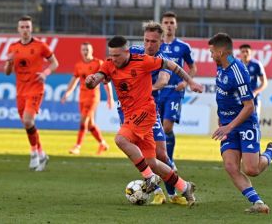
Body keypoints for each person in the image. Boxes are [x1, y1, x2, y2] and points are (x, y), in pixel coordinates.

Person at [86, 35, 203, 207]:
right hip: (130, 114)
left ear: (126, 52)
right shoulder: (109, 63)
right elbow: (98, 77)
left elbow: (171, 65)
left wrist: (190, 81)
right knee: (152, 162)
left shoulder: (143, 61)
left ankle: (150, 178)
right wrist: (91, 81)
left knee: (121, 139)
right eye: (111, 55)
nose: (113, 59)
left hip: (145, 112)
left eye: (117, 55)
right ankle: (185, 187)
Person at [209, 33, 272, 213]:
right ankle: (258, 203)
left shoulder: (238, 71)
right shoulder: (222, 63)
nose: (210, 55)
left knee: (252, 169)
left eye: (212, 52)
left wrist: (229, 126)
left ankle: (271, 151)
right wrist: (221, 118)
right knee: (230, 165)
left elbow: (249, 106)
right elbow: (223, 95)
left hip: (244, 123)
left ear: (221, 52)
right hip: (228, 123)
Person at [117, 21, 188, 205]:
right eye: (146, 41)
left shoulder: (162, 59)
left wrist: (147, 90)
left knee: (161, 155)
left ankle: (174, 193)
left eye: (153, 42)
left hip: (149, 109)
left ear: (161, 41)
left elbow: (164, 80)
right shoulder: (133, 52)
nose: (149, 45)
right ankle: (157, 191)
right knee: (138, 151)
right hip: (127, 109)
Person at [4, 15, 59, 171]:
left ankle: (34, 153)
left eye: (27, 27)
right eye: (22, 27)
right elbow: (7, 72)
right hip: (20, 91)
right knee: (28, 124)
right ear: (18, 29)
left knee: (28, 120)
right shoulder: (13, 47)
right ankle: (42, 153)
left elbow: (55, 62)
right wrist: (9, 62)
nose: (25, 30)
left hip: (35, 88)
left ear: (31, 28)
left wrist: (45, 73)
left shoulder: (41, 46)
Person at [159, 11, 197, 170]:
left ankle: (169, 160)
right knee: (157, 128)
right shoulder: (156, 45)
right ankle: (159, 160)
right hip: (156, 92)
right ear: (162, 25)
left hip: (174, 91)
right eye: (166, 22)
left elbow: (193, 67)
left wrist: (185, 81)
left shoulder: (183, 47)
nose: (168, 25)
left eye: (171, 23)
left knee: (167, 127)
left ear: (176, 25)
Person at [61, 42, 114, 155]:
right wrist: (67, 93)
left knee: (83, 120)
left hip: (93, 96)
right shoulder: (78, 65)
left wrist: (110, 97)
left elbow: (105, 81)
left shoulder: (98, 63)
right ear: (81, 51)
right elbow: (74, 80)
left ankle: (77, 146)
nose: (85, 52)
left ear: (91, 51)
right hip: (82, 97)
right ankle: (103, 144)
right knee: (90, 125)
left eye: (87, 50)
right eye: (83, 50)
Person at [239, 44, 268, 117]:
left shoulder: (256, 64)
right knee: (239, 123)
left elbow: (264, 82)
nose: (245, 53)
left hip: (253, 99)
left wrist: (255, 92)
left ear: (251, 53)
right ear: (240, 53)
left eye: (247, 51)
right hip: (240, 99)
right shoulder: (236, 65)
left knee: (254, 122)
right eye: (243, 51)